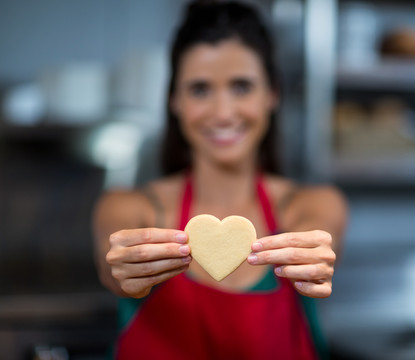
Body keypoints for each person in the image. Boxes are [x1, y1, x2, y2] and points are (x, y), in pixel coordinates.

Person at [92, 1, 348, 359]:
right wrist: (121, 267)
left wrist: (314, 259)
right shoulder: (129, 206)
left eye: (241, 87)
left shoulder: (312, 205)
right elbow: (111, 261)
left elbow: (319, 236)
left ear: (271, 95)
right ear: (174, 101)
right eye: (200, 90)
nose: (223, 112)